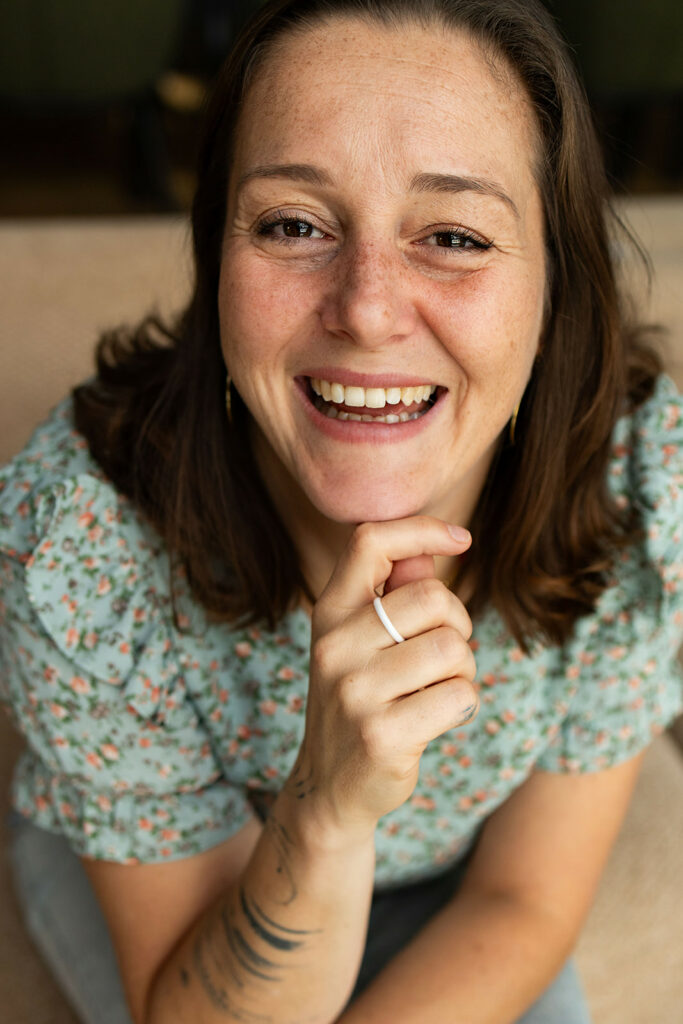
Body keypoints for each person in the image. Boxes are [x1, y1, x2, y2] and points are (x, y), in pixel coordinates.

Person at [1, 0, 682, 1022]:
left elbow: (523, 896)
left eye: (452, 234)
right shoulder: (79, 544)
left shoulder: (638, 484)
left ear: (555, 291)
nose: (365, 309)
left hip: (451, 881)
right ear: (215, 265)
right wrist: (321, 810)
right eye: (291, 224)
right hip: (189, 874)